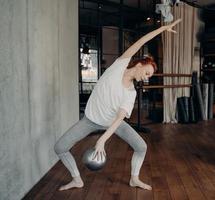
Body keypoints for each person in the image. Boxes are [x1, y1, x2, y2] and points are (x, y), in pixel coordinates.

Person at [54, 19, 182, 191]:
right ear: (139, 64)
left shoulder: (131, 93)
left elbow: (119, 118)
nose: (147, 77)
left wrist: (102, 140)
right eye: (147, 72)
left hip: (113, 123)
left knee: (141, 146)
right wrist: (162, 29)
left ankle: (134, 179)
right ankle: (76, 179)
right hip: (89, 120)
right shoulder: (118, 67)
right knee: (60, 147)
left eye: (149, 76)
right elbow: (141, 42)